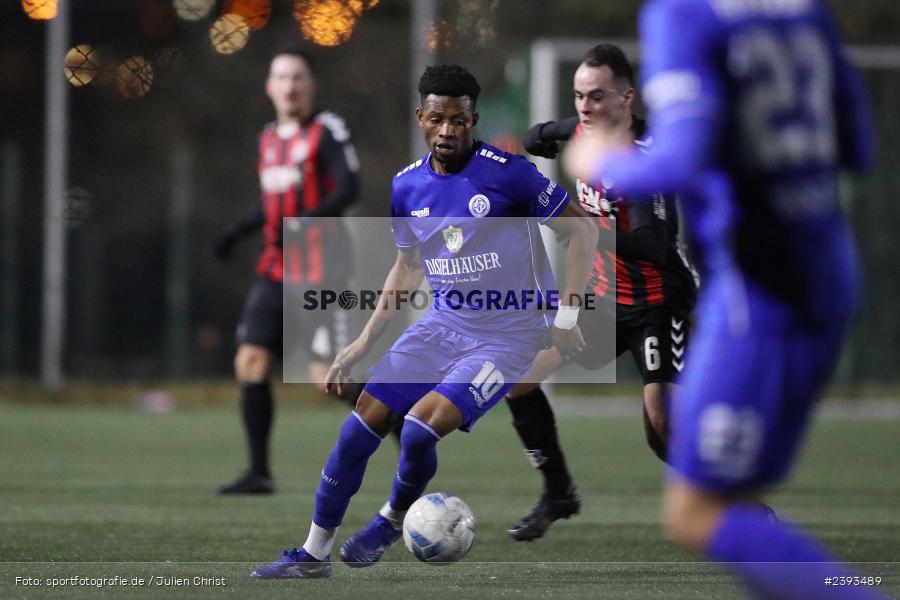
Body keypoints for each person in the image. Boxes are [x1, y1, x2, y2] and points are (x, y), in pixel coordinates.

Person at [564, 2, 883, 598]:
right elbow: (858, 144)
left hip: (760, 290)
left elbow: (680, 155)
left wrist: (604, 165)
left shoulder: (685, 14)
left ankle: (854, 588)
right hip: (831, 270)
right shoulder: (803, 11)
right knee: (732, 498)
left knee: (697, 512)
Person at [249, 64, 598, 579]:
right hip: (440, 326)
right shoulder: (407, 187)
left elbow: (583, 233)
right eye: (437, 119)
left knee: (417, 431)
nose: (448, 131)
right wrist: (362, 344)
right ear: (421, 118)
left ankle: (391, 519)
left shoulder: (511, 173)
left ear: (473, 119)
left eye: (459, 120)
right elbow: (408, 267)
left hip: (506, 339)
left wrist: (566, 315)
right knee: (360, 424)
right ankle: (313, 554)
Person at [505, 43, 698, 542]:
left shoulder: (649, 156)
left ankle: (734, 507)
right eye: (578, 97)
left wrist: (585, 229)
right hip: (602, 302)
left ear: (627, 97)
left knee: (662, 433)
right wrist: (554, 133)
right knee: (520, 379)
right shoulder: (583, 132)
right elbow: (533, 138)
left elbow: (655, 244)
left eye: (596, 96)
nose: (585, 107)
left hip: (658, 301)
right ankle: (558, 491)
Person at [214, 45, 362, 495]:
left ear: (311, 85)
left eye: (297, 77)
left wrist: (305, 222)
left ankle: (408, 433)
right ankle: (259, 473)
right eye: (281, 77)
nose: (289, 86)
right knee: (250, 360)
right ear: (269, 87)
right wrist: (237, 230)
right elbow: (272, 200)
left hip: (322, 269)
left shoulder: (327, 129)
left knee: (327, 378)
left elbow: (348, 186)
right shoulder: (268, 137)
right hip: (276, 268)